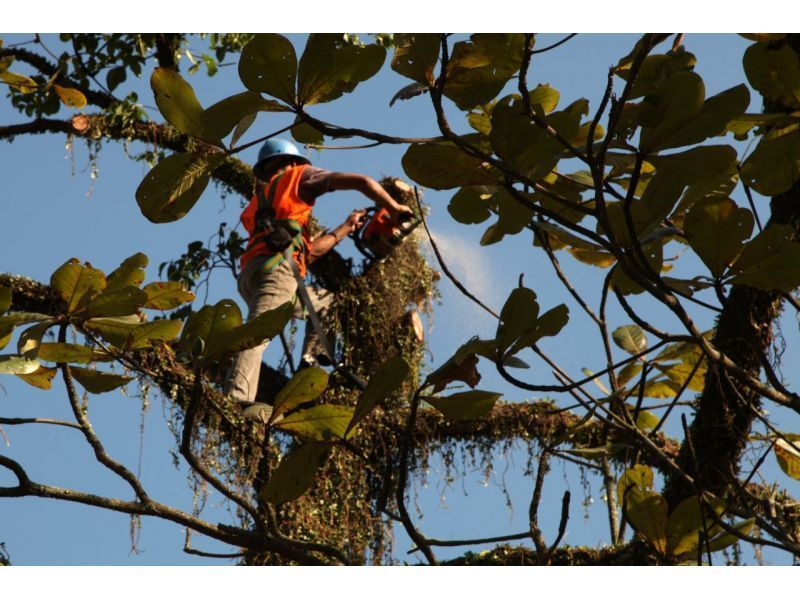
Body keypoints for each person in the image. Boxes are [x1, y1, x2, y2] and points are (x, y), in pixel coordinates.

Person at [224, 138, 413, 414]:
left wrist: (347, 227)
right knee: (257, 334)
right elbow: (362, 182)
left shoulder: (261, 201)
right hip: (276, 273)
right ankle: (234, 400)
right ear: (292, 162)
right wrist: (394, 209)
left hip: (254, 275)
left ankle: (311, 359)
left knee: (326, 300)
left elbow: (308, 255)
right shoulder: (298, 176)